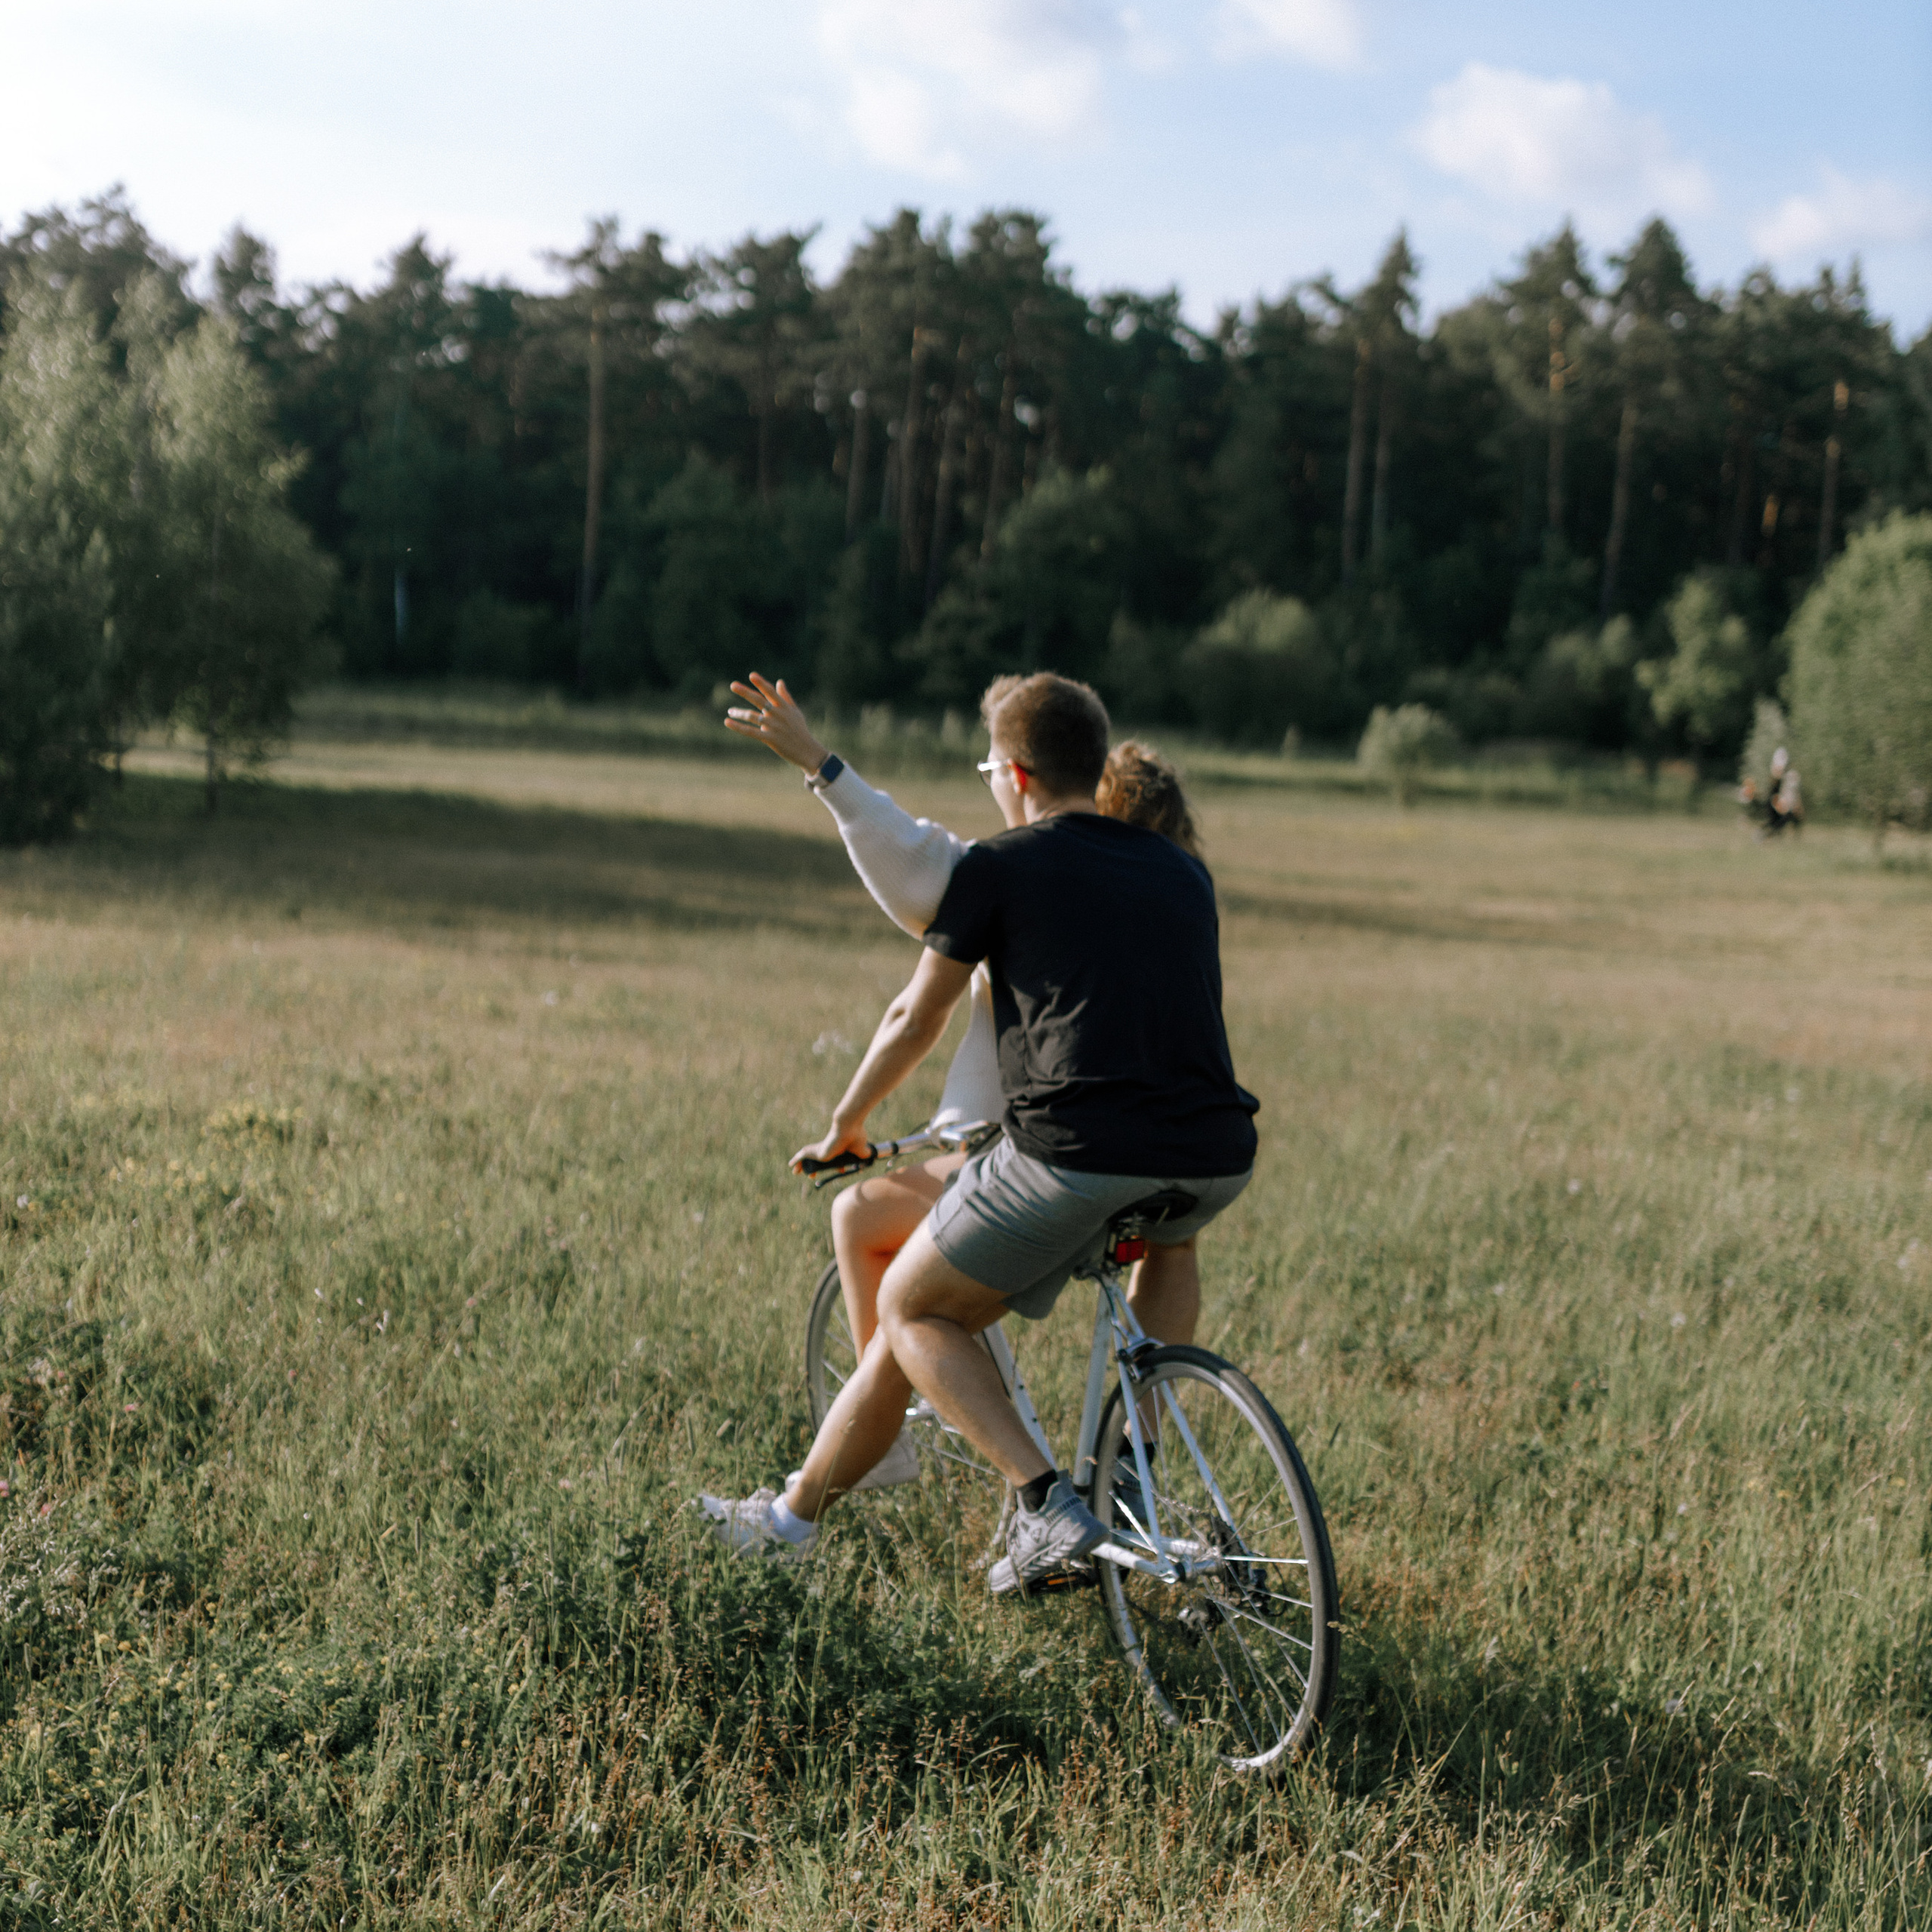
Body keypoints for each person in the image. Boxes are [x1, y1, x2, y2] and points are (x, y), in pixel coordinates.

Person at [704, 674, 1258, 1595]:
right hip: (1214, 1153)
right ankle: (1133, 1473)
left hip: (1073, 1158)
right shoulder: (1181, 873)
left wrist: (847, 1124)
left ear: (1015, 772)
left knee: (910, 1309)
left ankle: (1043, 1507)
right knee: (1171, 1235)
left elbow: (913, 1021)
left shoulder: (1001, 866)